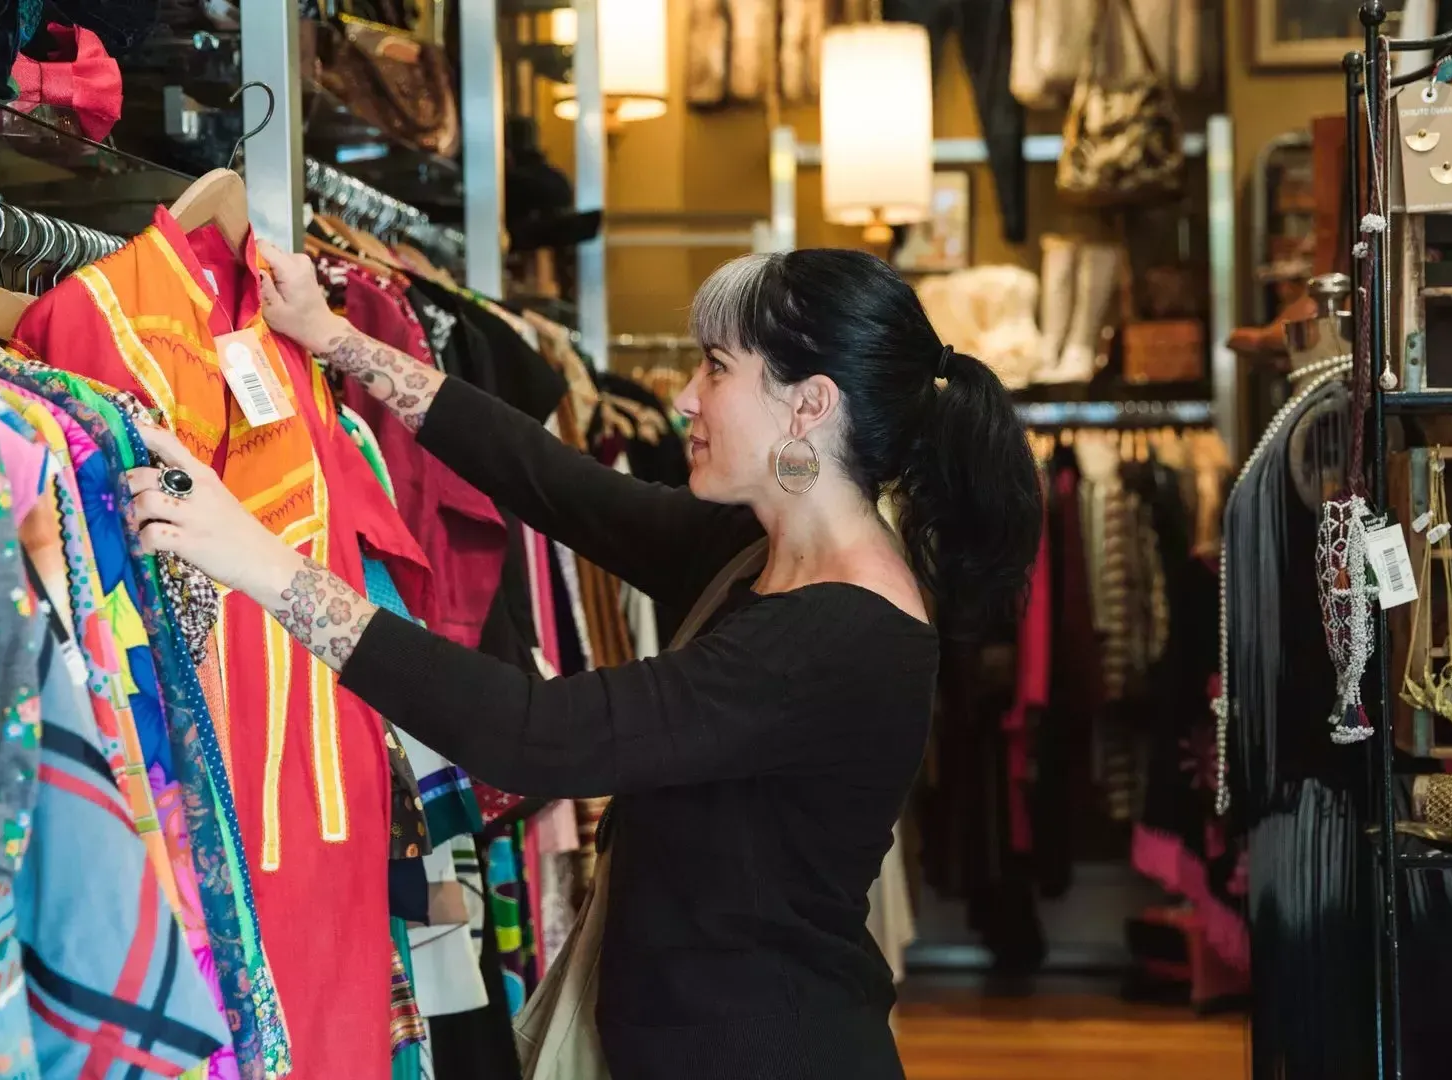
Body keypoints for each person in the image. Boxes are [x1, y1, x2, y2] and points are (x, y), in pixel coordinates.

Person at [125, 243, 1044, 1079]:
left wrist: (254, 560)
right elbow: (554, 482)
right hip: (681, 1035)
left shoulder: (844, 636)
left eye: (717, 369)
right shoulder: (755, 548)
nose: (685, 397)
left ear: (810, 405)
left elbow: (539, 735)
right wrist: (336, 341)